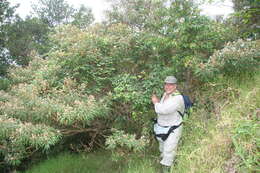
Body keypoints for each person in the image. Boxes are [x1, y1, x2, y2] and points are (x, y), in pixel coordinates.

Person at [151, 76, 185, 172]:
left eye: (171, 85)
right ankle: (171, 165)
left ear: (175, 86)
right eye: (166, 84)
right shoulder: (165, 94)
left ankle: (166, 170)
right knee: (162, 150)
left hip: (173, 129)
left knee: (168, 152)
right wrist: (158, 102)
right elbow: (163, 106)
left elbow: (163, 110)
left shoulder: (178, 98)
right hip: (162, 128)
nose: (168, 86)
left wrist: (155, 102)